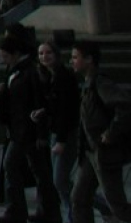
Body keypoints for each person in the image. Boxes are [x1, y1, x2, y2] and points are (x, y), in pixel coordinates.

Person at [0, 34, 60, 222]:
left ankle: (16, 211)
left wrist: (40, 133)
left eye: (5, 56)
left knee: (11, 165)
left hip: (26, 131)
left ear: (16, 54)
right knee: (40, 171)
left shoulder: (30, 72)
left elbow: (37, 102)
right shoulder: (15, 70)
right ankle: (48, 211)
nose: (3, 60)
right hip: (19, 129)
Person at [70, 40, 131, 223]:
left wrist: (111, 133)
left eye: (75, 57)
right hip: (91, 153)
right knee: (79, 198)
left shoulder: (101, 82)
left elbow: (125, 106)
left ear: (89, 60)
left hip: (105, 154)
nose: (72, 61)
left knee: (117, 205)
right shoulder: (88, 83)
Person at [33, 41, 82, 223]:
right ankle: (78, 210)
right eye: (41, 53)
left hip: (66, 134)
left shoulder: (64, 77)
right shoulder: (49, 76)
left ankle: (75, 213)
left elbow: (66, 111)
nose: (44, 57)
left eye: (48, 53)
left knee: (60, 180)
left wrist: (61, 140)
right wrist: (43, 112)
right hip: (55, 132)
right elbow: (55, 106)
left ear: (56, 54)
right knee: (58, 181)